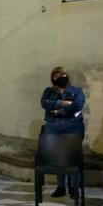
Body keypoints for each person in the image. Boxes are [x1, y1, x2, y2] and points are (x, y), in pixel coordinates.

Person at [40, 66, 85, 198]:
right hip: (54, 126)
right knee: (58, 157)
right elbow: (44, 103)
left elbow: (78, 105)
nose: (60, 77)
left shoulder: (77, 91)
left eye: (62, 74)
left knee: (73, 156)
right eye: (56, 75)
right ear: (52, 78)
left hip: (73, 126)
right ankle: (61, 186)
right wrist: (63, 102)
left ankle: (74, 187)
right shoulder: (48, 91)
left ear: (68, 76)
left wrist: (59, 110)